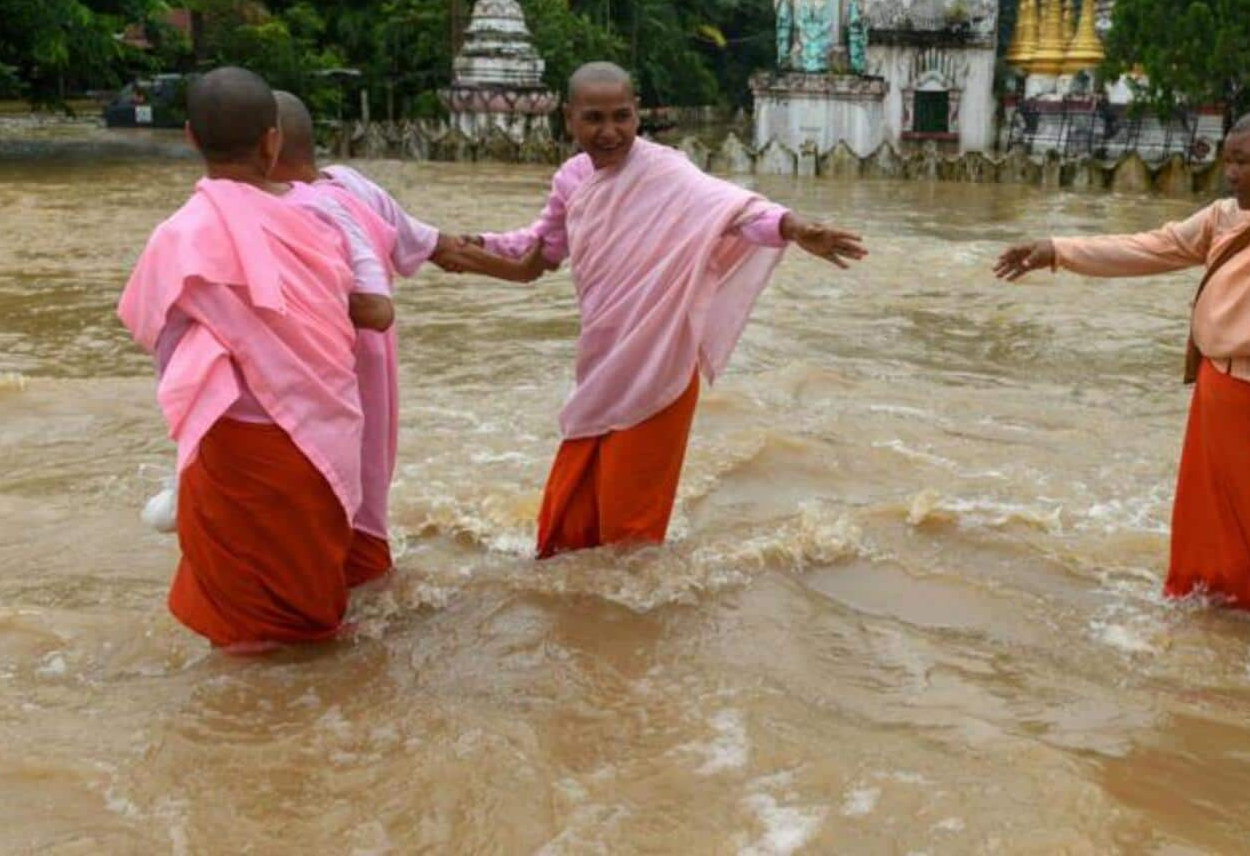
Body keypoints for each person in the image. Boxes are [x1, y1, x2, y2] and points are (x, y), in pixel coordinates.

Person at [437, 61, 868, 556]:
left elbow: (736, 210)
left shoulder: (667, 170)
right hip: (602, 367)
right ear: (568, 118)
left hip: (660, 363)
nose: (609, 131)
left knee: (629, 545)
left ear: (637, 114)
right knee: (564, 536)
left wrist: (794, 227)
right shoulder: (572, 180)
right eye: (593, 118)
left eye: (621, 116)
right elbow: (540, 251)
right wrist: (473, 248)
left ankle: (636, 628)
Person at [993, 109, 1250, 614]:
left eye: (1243, 161)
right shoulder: (1226, 218)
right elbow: (1153, 247)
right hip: (1218, 392)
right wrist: (1058, 250)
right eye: (1227, 162)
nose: (1231, 174)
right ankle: (1211, 625)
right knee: (1207, 531)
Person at [117, 67, 388, 650]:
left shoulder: (178, 236)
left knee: (244, 634)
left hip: (234, 445)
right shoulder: (317, 223)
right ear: (272, 141)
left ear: (189, 137)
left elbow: (160, 342)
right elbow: (365, 311)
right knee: (311, 617)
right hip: (321, 442)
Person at [270, 90, 463, 586]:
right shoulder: (350, 185)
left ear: (265, 146)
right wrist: (529, 260)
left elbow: (372, 307)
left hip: (331, 397)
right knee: (365, 505)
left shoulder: (296, 214)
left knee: (328, 540)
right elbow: (434, 245)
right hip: (375, 392)